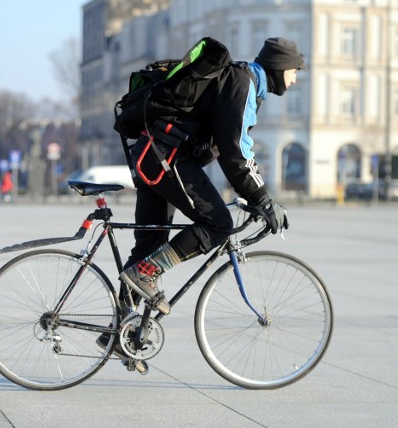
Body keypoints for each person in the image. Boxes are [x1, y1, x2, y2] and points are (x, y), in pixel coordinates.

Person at [121, 37, 305, 315]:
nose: (294, 80)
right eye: (294, 71)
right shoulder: (242, 85)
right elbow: (237, 153)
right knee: (218, 223)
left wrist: (253, 196)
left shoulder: (239, 81)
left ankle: (121, 331)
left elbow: (225, 150)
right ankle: (143, 276)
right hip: (165, 158)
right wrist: (263, 199)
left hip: (152, 155)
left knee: (148, 249)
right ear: (280, 67)